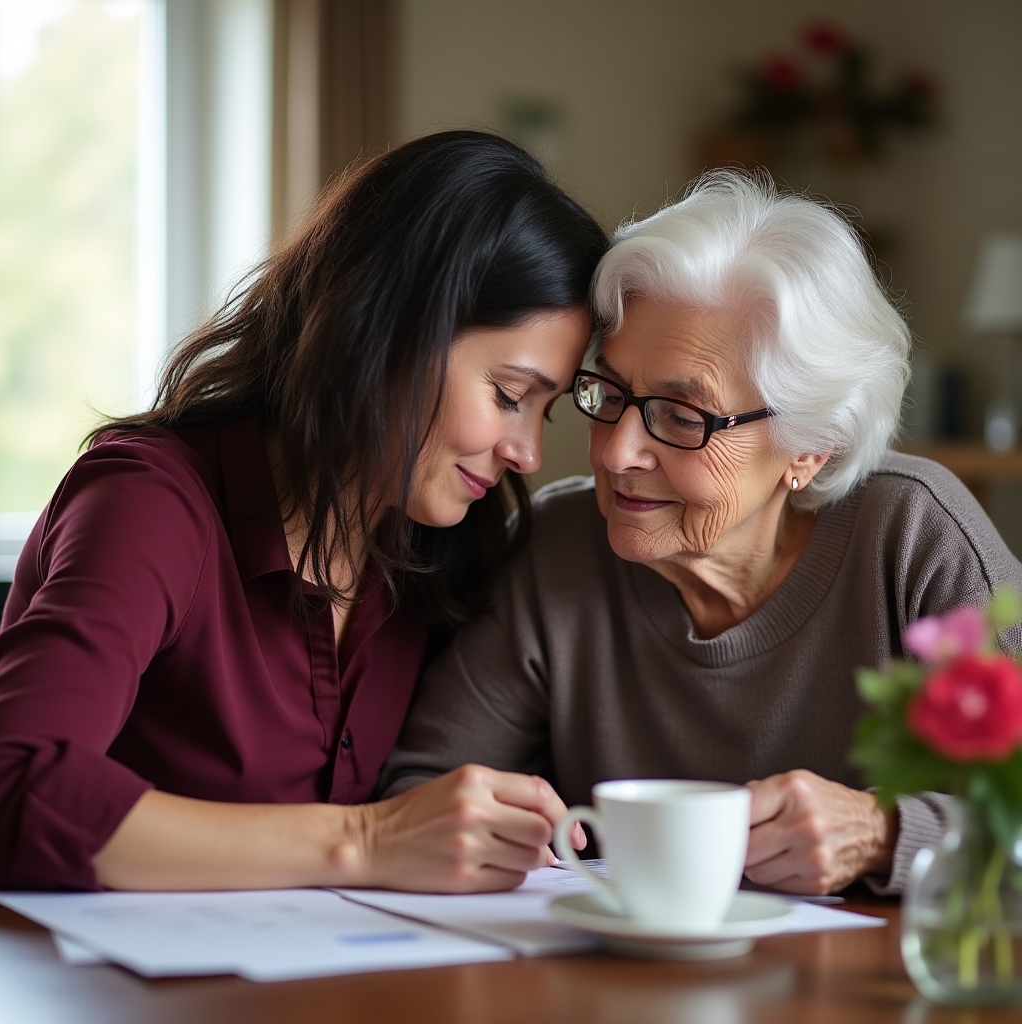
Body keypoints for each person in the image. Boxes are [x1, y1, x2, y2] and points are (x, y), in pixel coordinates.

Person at [381, 169, 1022, 896]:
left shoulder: (913, 537)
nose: (615, 453)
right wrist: (496, 833)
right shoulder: (557, 545)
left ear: (812, 449)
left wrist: (886, 836)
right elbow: (423, 788)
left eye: (684, 417)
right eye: (611, 395)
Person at [0, 130, 605, 892]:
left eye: (541, 414)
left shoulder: (444, 549)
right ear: (387, 331)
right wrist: (363, 839)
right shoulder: (150, 502)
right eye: (510, 395)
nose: (526, 453)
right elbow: (13, 784)